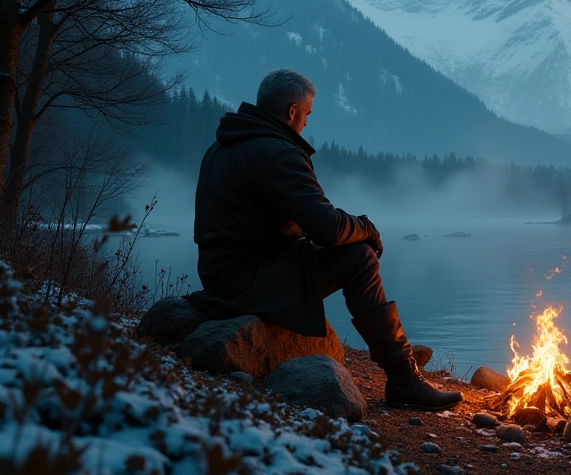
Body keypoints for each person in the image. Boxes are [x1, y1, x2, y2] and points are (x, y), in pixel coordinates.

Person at [189, 68, 462, 410]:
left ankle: (404, 375)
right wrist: (367, 227)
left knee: (344, 249)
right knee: (360, 257)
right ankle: (404, 380)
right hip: (248, 283)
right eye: (306, 115)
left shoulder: (225, 145)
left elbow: (275, 224)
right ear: (292, 111)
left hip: (222, 275)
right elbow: (328, 228)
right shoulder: (277, 152)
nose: (306, 124)